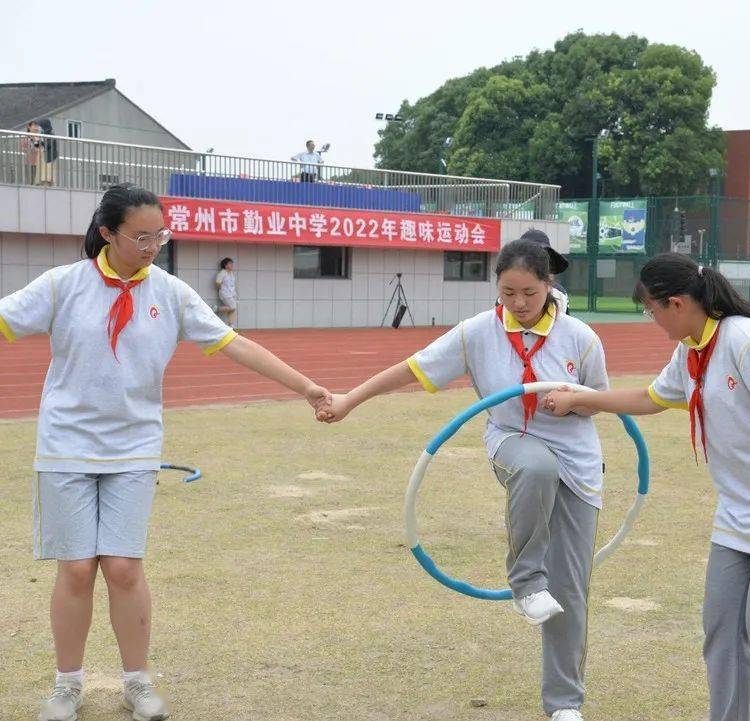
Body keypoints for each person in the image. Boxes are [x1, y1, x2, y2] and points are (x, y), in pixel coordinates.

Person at [0, 184, 331, 721]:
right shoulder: (63, 286)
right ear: (107, 233)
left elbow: (234, 343)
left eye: (161, 235)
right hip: (66, 448)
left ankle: (137, 681)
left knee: (125, 568)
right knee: (78, 569)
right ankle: (67, 685)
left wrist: (307, 387)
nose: (154, 245)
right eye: (141, 236)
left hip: (133, 448)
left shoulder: (171, 293)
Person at [544, 253, 750, 721]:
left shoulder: (747, 341)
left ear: (675, 303)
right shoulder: (692, 348)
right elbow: (651, 398)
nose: (651, 320)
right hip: (738, 516)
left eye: (651, 310)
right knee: (722, 636)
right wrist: (580, 400)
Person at [317, 239, 609, 721]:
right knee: (536, 467)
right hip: (513, 442)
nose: (517, 303)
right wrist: (351, 399)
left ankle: (564, 705)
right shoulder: (477, 332)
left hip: (578, 459)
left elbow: (601, 398)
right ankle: (525, 579)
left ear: (549, 287)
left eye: (529, 293)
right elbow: (414, 368)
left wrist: (575, 400)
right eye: (507, 291)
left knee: (571, 593)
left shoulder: (580, 337)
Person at [520, 228, 570, 314]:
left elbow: (565, 325)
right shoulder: (507, 295)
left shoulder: (559, 295)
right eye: (530, 257)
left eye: (542, 258)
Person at [33, 118, 58, 187]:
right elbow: (37, 146)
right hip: (42, 156)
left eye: (40, 126)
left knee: (47, 174)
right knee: (41, 172)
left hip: (49, 157)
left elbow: (47, 145)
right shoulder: (41, 134)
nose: (39, 128)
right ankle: (40, 183)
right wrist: (36, 141)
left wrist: (40, 140)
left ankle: (47, 184)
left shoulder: (51, 134)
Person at [215, 257, 237, 326]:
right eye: (230, 264)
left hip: (232, 294)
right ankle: (216, 309)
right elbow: (217, 283)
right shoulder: (222, 273)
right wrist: (221, 290)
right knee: (233, 307)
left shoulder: (231, 273)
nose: (232, 265)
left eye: (232, 264)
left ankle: (231, 326)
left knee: (232, 309)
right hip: (225, 294)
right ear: (225, 265)